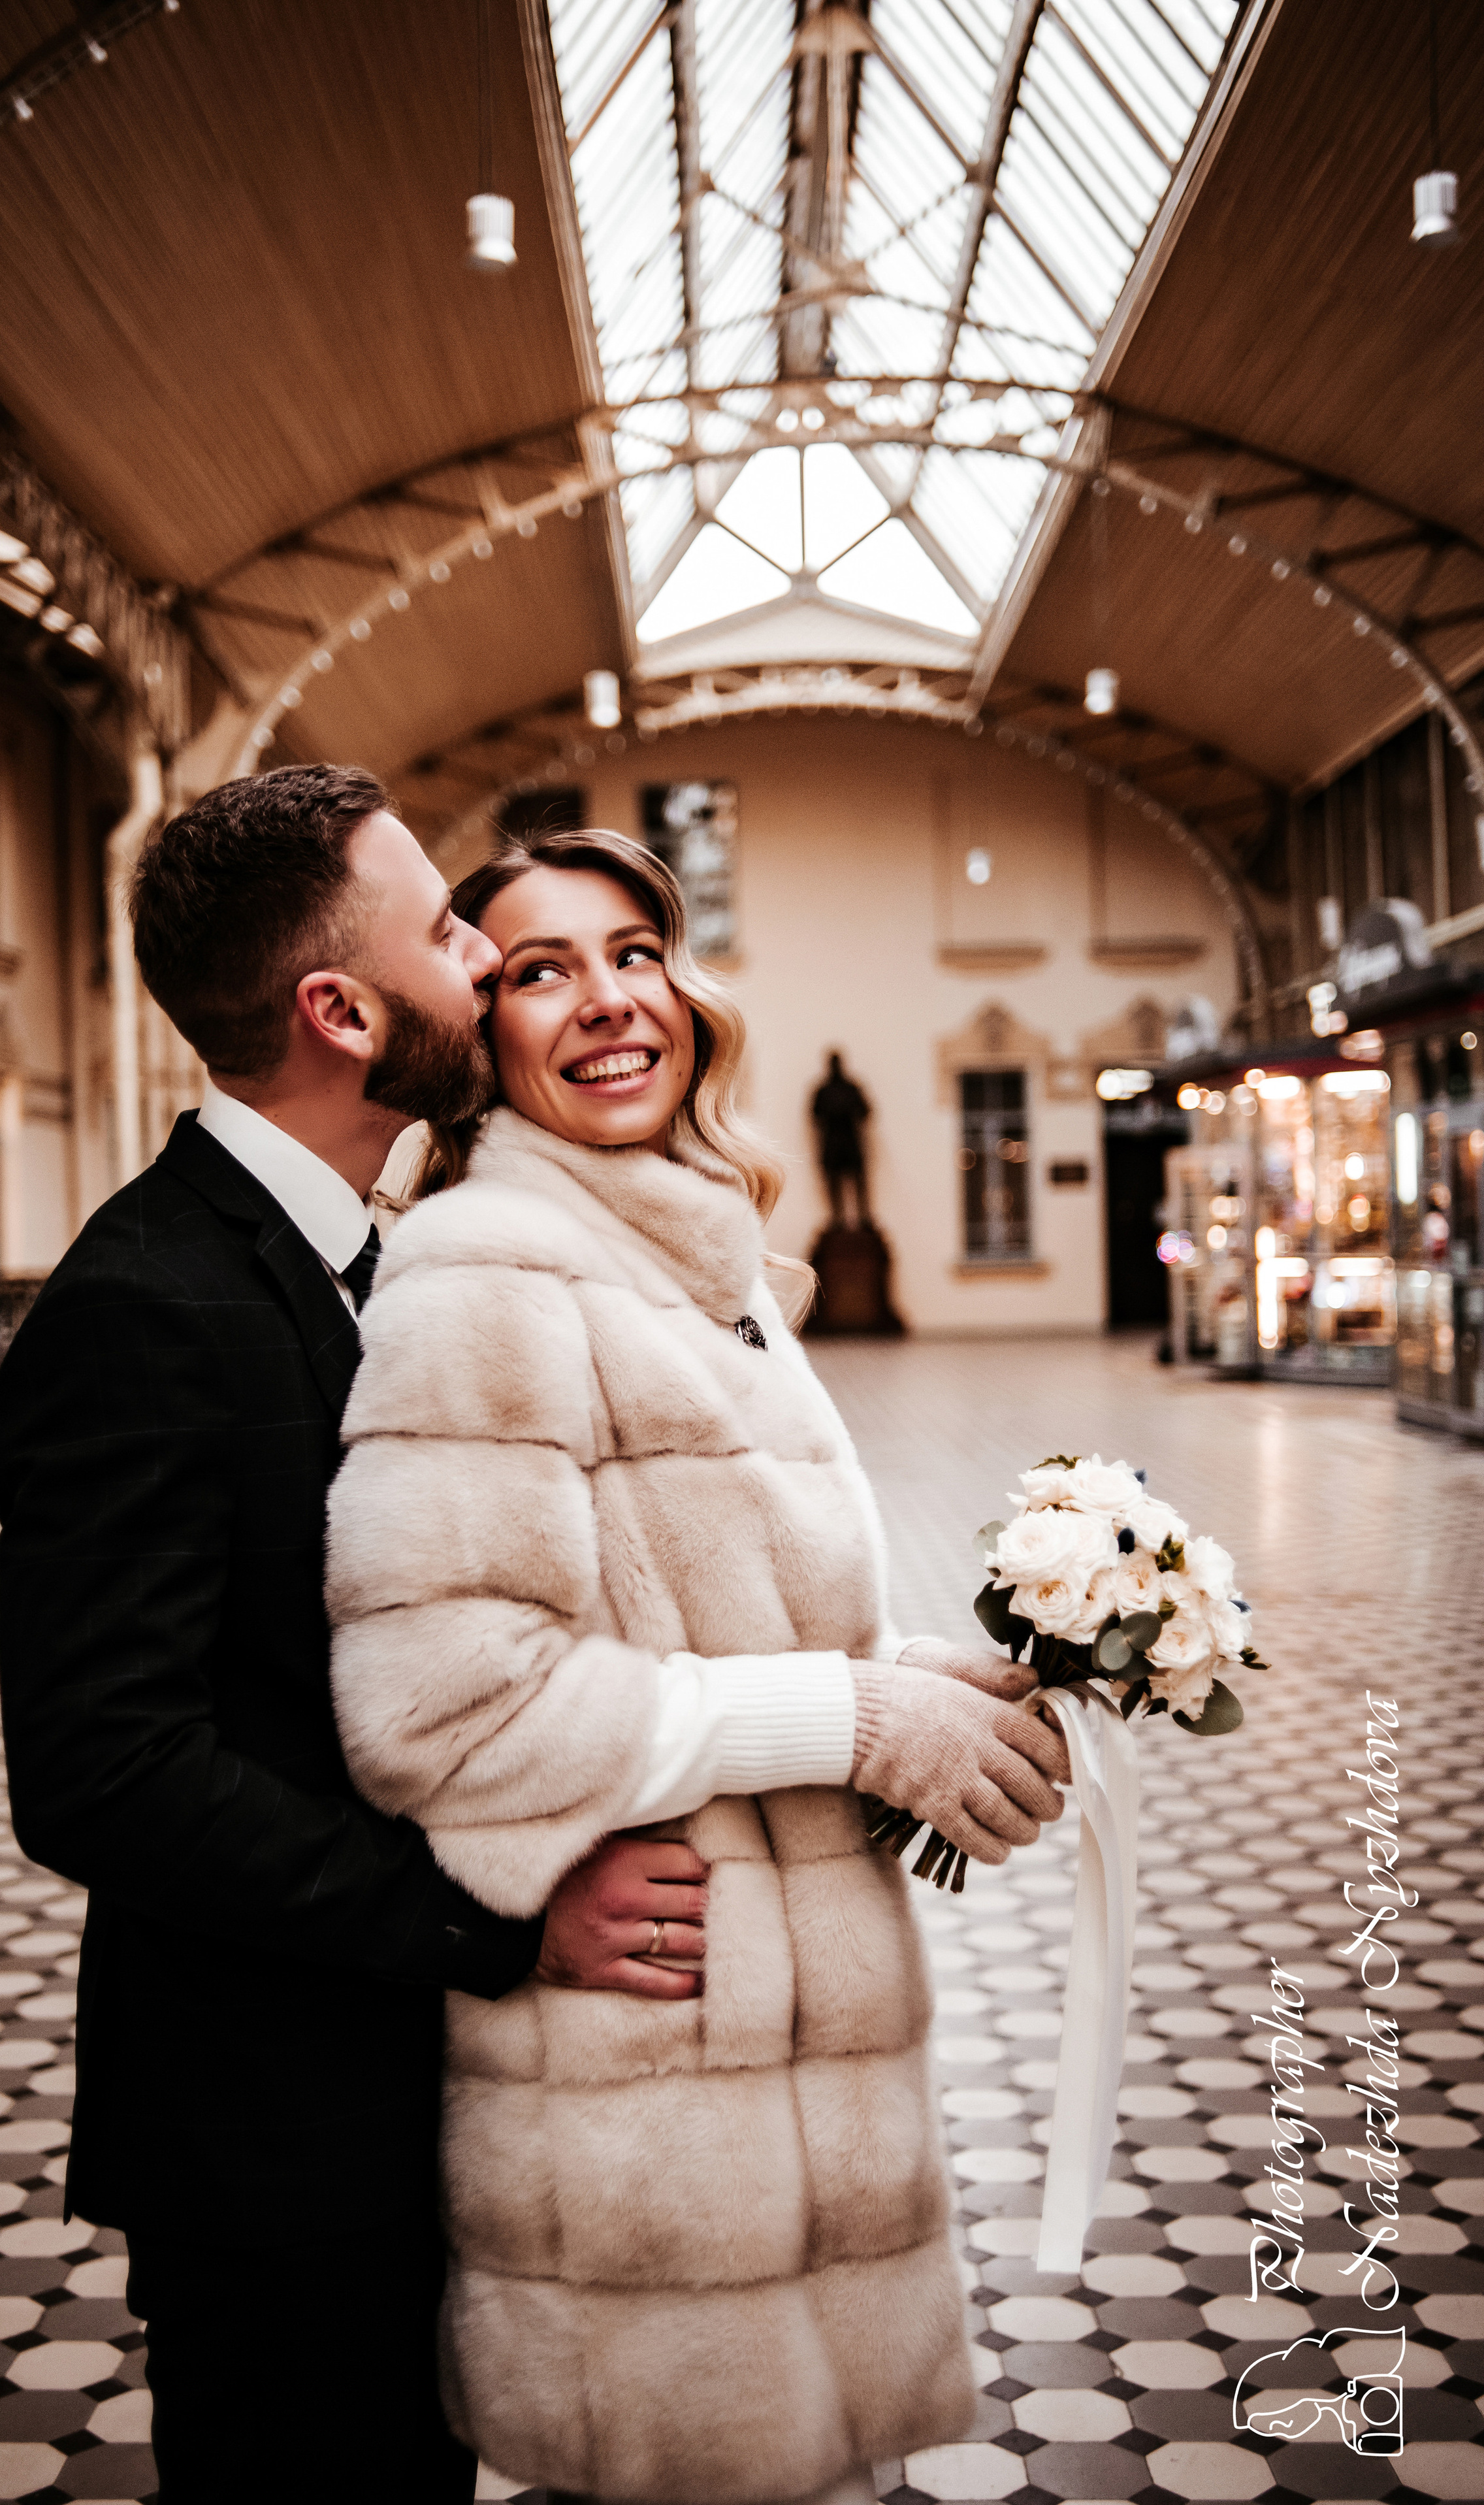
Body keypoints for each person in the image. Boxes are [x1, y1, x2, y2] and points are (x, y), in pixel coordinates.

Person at [0, 767, 716, 2505]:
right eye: (455, 932)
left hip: (405, 2100)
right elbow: (104, 1774)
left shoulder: (374, 1260)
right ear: (342, 1008)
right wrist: (501, 1920)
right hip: (273, 2143)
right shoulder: (144, 1306)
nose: (486, 955)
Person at [326, 825, 1072, 2505]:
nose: (603, 1001)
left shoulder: (705, 1264)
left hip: (795, 2091)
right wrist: (854, 1715)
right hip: (654, 2116)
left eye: (632, 953)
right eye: (536, 969)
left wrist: (936, 1682)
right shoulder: (484, 1273)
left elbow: (725, 1631)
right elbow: (443, 1701)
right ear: (482, 1028)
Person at [812, 1048, 873, 1226]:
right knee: (834, 1184)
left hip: (850, 1140)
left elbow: (865, 1111)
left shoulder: (852, 1088)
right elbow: (815, 1115)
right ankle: (837, 1219)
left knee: (858, 1181)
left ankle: (864, 1217)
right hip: (832, 1142)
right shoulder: (823, 1091)